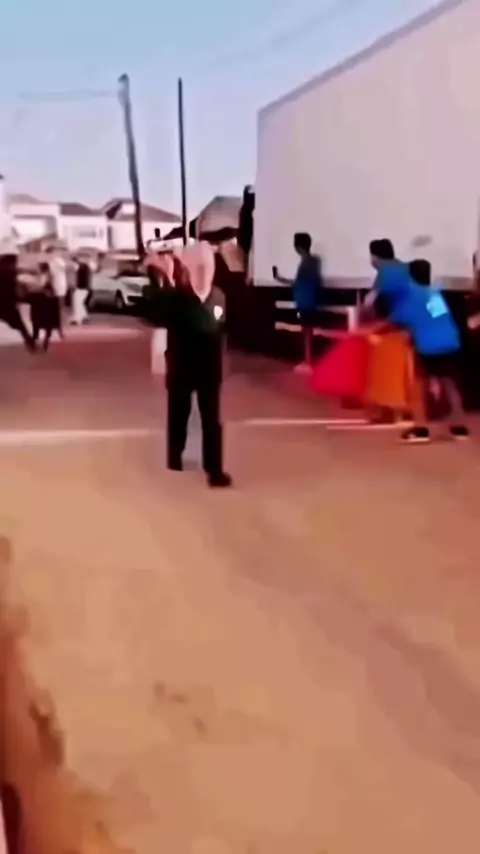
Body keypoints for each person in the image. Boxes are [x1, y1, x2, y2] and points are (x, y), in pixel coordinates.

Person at [150, 242, 232, 488]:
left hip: (209, 369)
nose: (204, 271)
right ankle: (174, 457)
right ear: (188, 269)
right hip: (181, 368)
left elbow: (219, 328)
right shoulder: (177, 298)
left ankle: (214, 469)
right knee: (178, 416)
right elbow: (157, 312)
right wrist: (163, 277)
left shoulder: (218, 297)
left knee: (211, 421)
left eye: (208, 266)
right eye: (198, 266)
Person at [370, 259, 469, 443]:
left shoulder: (410, 297)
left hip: (428, 345)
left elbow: (392, 322)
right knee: (449, 383)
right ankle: (459, 428)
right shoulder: (433, 294)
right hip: (449, 341)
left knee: (419, 383)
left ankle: (420, 428)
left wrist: (367, 331)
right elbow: (435, 317)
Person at [273, 232, 322, 372]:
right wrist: (280, 279)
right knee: (308, 330)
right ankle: (309, 359)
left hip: (305, 301)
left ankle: (308, 361)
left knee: (306, 330)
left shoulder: (306, 263)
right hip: (310, 300)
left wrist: (281, 279)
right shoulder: (313, 261)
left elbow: (299, 283)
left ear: (298, 247)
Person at [0, 253, 35, 351]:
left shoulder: (5, 269)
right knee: (19, 324)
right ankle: (30, 343)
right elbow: (18, 270)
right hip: (6, 302)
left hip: (6, 301)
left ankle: (30, 342)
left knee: (18, 324)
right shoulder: (7, 270)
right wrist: (31, 271)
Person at [30, 262, 61, 351]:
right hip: (47, 300)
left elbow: (41, 286)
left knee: (41, 320)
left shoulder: (46, 276)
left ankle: (39, 339)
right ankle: (41, 339)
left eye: (38, 267)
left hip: (45, 300)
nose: (37, 269)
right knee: (45, 321)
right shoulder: (48, 275)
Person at [47, 248, 67, 336]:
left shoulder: (54, 261)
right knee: (59, 309)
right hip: (58, 287)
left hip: (57, 286)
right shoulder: (57, 261)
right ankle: (60, 329)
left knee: (56, 310)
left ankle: (58, 329)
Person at [71, 256, 91, 325]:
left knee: (77, 303)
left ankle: (78, 319)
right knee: (80, 303)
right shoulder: (87, 267)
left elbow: (76, 267)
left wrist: (75, 261)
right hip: (85, 288)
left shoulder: (80, 267)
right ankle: (84, 317)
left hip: (81, 288)